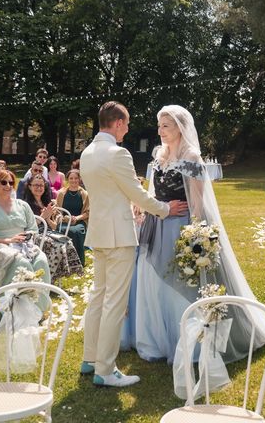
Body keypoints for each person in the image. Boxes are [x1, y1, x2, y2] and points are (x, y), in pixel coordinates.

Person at [132, 104, 265, 369]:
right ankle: (159, 339)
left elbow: (198, 201)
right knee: (156, 280)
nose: (160, 131)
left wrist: (195, 233)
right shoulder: (159, 154)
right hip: (158, 224)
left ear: (180, 127)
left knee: (182, 282)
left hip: (181, 226)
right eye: (159, 125)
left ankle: (191, 342)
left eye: (166, 126)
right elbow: (154, 190)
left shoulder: (192, 157)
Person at [79, 101, 188, 388]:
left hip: (98, 235)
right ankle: (105, 368)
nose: (127, 129)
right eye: (126, 124)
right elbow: (137, 194)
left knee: (98, 297)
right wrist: (165, 209)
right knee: (114, 302)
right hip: (118, 236)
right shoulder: (118, 154)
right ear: (116, 123)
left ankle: (89, 358)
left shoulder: (87, 152)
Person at [0, 170, 51, 289]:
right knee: (22, 262)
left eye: (11, 183)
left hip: (25, 245)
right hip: (1, 248)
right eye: (4, 182)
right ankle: (16, 303)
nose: (8, 186)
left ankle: (39, 304)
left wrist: (26, 236)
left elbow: (33, 229)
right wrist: (8, 240)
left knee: (41, 260)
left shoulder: (23, 205)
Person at [22, 174, 83, 281]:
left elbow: (55, 227)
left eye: (41, 185)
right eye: (36, 185)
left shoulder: (48, 203)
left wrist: (49, 218)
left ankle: (50, 277)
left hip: (49, 233)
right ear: (29, 186)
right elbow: (27, 229)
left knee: (66, 242)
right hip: (33, 236)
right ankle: (47, 278)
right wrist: (43, 217)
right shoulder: (25, 205)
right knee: (56, 245)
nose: (39, 188)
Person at [55, 169, 89, 266]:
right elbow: (57, 210)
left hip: (79, 221)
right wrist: (65, 218)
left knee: (76, 232)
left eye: (76, 178)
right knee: (63, 230)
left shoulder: (84, 194)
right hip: (64, 221)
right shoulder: (61, 193)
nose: (73, 180)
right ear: (67, 180)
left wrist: (76, 218)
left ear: (79, 179)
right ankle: (63, 261)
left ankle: (78, 261)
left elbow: (87, 212)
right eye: (71, 178)